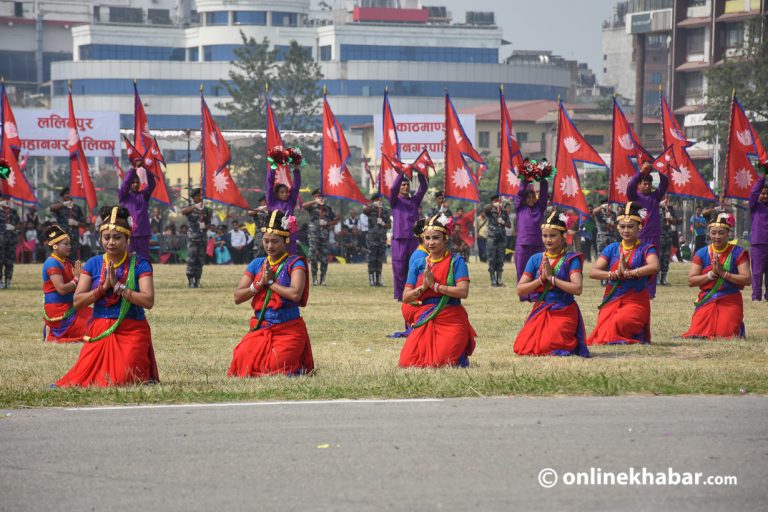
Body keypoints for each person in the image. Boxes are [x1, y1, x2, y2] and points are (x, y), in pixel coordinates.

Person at [56, 206, 159, 387]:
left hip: (132, 329)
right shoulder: (94, 264)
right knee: (86, 379)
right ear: (101, 238)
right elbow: (78, 301)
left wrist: (119, 287)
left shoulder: (140, 264)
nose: (111, 242)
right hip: (100, 330)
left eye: (117, 237)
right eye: (107, 237)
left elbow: (148, 301)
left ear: (127, 239)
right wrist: (103, 288)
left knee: (122, 378)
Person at [228, 209, 314, 377]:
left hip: (288, 330)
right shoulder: (257, 263)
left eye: (275, 241)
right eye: (266, 241)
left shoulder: (295, 263)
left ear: (286, 240)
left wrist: (270, 283)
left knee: (277, 365)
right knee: (241, 358)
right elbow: (238, 297)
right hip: (262, 327)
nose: (269, 246)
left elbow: (295, 294)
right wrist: (259, 284)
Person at [399, 214, 475, 368]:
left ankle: (458, 353)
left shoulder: (456, 261)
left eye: (435, 238)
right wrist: (424, 288)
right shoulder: (419, 263)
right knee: (408, 361)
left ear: (445, 238)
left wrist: (436, 287)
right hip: (426, 316)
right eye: (427, 238)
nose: (431, 242)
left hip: (451, 316)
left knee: (440, 362)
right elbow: (406, 297)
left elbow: (463, 292)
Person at [513, 209, 590, 357]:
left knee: (548, 345)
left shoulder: (571, 259)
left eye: (553, 236)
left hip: (564, 309)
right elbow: (521, 290)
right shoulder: (536, 259)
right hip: (541, 309)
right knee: (523, 346)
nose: (548, 239)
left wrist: (552, 279)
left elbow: (577, 288)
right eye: (545, 235)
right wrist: (541, 280)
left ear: (563, 236)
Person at [587, 202, 660, 345]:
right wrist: (612, 275)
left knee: (621, 322)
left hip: (636, 300)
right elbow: (593, 272)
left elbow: (654, 266)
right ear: (617, 227)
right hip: (613, 298)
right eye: (622, 226)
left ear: (639, 227)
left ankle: (633, 333)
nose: (626, 230)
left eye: (630, 226)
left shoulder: (646, 248)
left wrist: (631, 273)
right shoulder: (612, 248)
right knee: (606, 328)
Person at [682, 211, 750, 339]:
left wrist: (724, 273)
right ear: (709, 233)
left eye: (721, 233)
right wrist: (712, 274)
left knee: (725, 334)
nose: (717, 236)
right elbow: (691, 281)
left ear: (728, 233)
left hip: (730, 298)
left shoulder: (738, 252)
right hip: (708, 298)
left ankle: (738, 327)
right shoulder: (702, 253)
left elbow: (747, 279)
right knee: (698, 333)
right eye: (713, 233)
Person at [41, 224, 90, 343]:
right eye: (65, 244)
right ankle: (52, 331)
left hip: (71, 308)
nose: (69, 247)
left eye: (69, 244)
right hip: (59, 311)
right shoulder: (52, 263)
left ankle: (51, 330)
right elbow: (61, 289)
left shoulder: (66, 262)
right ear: (55, 246)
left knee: (99, 319)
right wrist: (77, 279)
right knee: (93, 327)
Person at [627, 162, 668, 299]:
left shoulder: (655, 197)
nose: (647, 186)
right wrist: (641, 172)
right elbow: (630, 186)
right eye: (644, 183)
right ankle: (635, 290)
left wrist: (660, 168)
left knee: (652, 266)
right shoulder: (634, 197)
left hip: (654, 237)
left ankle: (650, 293)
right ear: (640, 184)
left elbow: (665, 183)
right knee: (636, 263)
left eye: (649, 184)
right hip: (638, 237)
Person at [389, 169, 428, 301]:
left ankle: (414, 294)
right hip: (399, 240)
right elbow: (393, 188)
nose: (406, 187)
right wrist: (401, 174)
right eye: (403, 185)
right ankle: (400, 295)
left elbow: (424, 188)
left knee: (414, 267)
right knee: (399, 267)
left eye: (407, 185)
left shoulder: (414, 201)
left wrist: (420, 173)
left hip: (413, 239)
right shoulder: (394, 200)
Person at [514, 180, 548, 297]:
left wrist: (543, 179)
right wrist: (525, 179)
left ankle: (535, 295)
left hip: (538, 244)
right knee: (522, 270)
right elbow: (519, 194)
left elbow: (544, 195)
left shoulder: (540, 208)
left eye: (533, 197)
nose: (530, 199)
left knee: (538, 270)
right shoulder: (520, 208)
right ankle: (524, 295)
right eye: (528, 197)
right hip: (522, 244)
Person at [117, 162, 155, 259]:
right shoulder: (123, 196)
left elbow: (152, 184)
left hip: (143, 234)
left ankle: (143, 274)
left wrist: (146, 168)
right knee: (127, 259)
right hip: (128, 233)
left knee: (144, 260)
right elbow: (125, 184)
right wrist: (134, 169)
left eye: (137, 182)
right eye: (133, 182)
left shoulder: (144, 195)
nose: (135, 184)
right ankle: (128, 275)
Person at [302, 189, 337, 286]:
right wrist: (315, 202)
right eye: (317, 196)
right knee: (313, 256)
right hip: (313, 234)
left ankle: (323, 278)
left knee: (324, 257)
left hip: (324, 235)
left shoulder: (327, 208)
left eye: (320, 196)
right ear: (314, 197)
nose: (319, 198)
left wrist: (327, 223)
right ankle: (314, 278)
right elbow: (303, 205)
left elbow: (334, 221)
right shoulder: (312, 207)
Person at [181, 188, 212, 288]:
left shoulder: (206, 210)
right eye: (197, 196)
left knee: (200, 260)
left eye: (201, 196)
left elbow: (209, 223)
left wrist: (205, 226)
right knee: (191, 260)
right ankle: (190, 280)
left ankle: (197, 281)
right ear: (193, 198)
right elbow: (183, 211)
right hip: (193, 239)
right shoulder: (191, 208)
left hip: (202, 239)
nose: (200, 197)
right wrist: (195, 206)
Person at [363, 193, 390, 287]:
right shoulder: (370, 210)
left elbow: (389, 225)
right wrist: (372, 204)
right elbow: (364, 210)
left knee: (379, 260)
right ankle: (371, 280)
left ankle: (378, 280)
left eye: (381, 199)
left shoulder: (385, 211)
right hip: (372, 238)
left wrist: (383, 223)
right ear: (374, 200)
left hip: (382, 238)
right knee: (371, 259)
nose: (380, 201)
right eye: (377, 200)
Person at [50, 187, 85, 261]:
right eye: (66, 194)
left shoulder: (77, 208)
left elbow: (84, 224)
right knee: (61, 254)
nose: (69, 195)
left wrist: (76, 223)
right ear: (62, 196)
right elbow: (51, 208)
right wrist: (64, 204)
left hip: (74, 236)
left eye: (70, 194)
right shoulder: (59, 207)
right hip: (62, 235)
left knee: (74, 256)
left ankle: (72, 270)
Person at [484, 195, 512, 287]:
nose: (498, 202)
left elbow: (509, 225)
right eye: (495, 200)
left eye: (498, 200)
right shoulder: (490, 210)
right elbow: (486, 209)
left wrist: (503, 222)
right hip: (492, 238)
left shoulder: (503, 211)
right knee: (492, 259)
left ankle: (499, 280)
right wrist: (493, 206)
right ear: (492, 201)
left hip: (502, 237)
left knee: (500, 259)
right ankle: (493, 280)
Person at [749, 172, 768, 301]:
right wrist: (762, 178)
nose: (764, 196)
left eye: (767, 194)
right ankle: (756, 297)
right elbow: (753, 193)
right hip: (758, 244)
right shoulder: (754, 206)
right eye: (762, 193)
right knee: (757, 273)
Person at [0, 194, 20, 289]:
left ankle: (8, 281)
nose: (6, 200)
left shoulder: (13, 211)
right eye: (4, 199)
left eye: (8, 199)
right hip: (1, 240)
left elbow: (19, 224)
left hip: (11, 240)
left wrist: (14, 227)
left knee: (9, 261)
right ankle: (0, 281)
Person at [658, 199, 678, 286]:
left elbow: (674, 222)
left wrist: (670, 218)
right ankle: (657, 279)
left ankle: (664, 278)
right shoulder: (656, 208)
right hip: (658, 236)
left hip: (668, 237)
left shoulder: (669, 209)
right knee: (658, 258)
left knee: (666, 258)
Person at [248, 195, 268, 260]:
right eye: (264, 200)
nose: (266, 202)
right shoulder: (258, 210)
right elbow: (250, 212)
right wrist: (260, 209)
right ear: (261, 202)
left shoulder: (271, 209)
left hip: (270, 234)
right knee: (259, 252)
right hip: (259, 235)